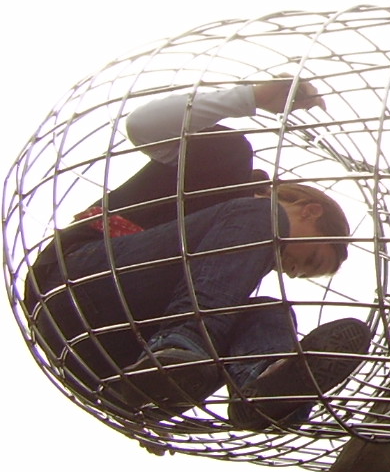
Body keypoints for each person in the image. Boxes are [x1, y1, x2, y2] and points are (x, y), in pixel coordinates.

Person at [23, 79, 372, 430]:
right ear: (310, 211)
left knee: (269, 313)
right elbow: (142, 125)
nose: (290, 270)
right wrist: (252, 97)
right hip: (75, 287)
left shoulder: (223, 275)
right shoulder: (227, 163)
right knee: (262, 219)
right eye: (309, 260)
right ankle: (182, 347)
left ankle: (264, 390)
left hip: (105, 367)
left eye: (298, 273)